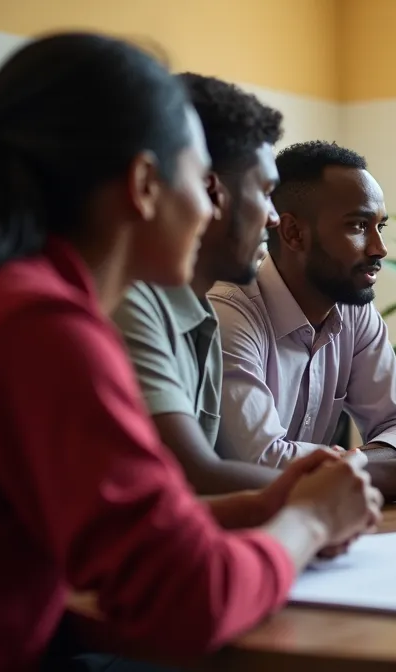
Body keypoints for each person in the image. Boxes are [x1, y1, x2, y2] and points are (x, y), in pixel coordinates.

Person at [0, 33, 380, 669]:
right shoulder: (42, 326)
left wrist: (266, 505)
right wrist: (311, 524)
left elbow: (131, 525)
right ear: (144, 184)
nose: (218, 207)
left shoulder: (14, 299)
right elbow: (189, 598)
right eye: (198, 179)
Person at [209, 140, 396, 500]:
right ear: (292, 233)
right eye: (358, 226)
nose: (379, 248)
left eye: (380, 226)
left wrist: (356, 463)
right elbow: (263, 462)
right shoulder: (229, 311)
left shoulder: (353, 309)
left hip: (315, 521)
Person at [112, 72, 290, 499]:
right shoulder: (125, 303)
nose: (274, 217)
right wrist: (324, 495)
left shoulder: (201, 313)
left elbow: (191, 503)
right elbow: (191, 477)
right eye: (265, 192)